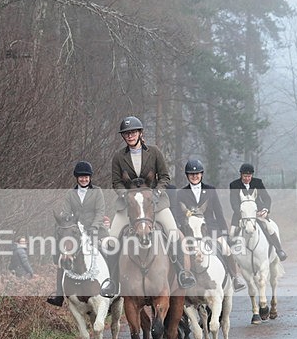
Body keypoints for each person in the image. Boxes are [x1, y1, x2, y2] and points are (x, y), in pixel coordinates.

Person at [101, 115, 196, 297]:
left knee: (173, 233)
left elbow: (165, 177)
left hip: (155, 204)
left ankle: (182, 273)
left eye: (133, 132)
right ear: (123, 136)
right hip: (129, 205)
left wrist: (157, 192)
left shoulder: (154, 152)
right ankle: (112, 281)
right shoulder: (119, 157)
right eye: (126, 133)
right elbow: (116, 182)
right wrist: (125, 195)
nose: (130, 135)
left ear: (140, 133)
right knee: (112, 240)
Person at [177, 159, 245, 292]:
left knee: (226, 249)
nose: (194, 176)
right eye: (191, 174)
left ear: (201, 174)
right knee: (180, 251)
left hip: (211, 228)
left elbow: (219, 213)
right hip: (191, 230)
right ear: (187, 176)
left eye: (197, 174)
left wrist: (224, 233)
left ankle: (235, 277)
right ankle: (185, 277)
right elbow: (178, 215)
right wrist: (185, 223)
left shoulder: (210, 190)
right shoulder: (181, 193)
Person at [47, 160, 107, 307]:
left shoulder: (97, 191)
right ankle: (59, 294)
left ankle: (113, 285)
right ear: (77, 178)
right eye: (81, 177)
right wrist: (68, 222)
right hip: (75, 231)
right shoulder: (70, 194)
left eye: (86, 177)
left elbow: (100, 212)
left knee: (109, 249)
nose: (84, 179)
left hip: (95, 229)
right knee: (62, 256)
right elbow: (66, 212)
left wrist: (94, 227)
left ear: (90, 177)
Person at [229, 163, 287, 261]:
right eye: (245, 176)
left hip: (258, 213)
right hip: (241, 214)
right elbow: (234, 203)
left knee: (269, 227)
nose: (247, 178)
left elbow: (267, 198)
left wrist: (265, 209)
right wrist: (243, 214)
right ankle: (231, 257)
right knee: (231, 233)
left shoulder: (258, 182)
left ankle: (279, 250)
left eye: (249, 176)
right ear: (241, 175)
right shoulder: (234, 185)